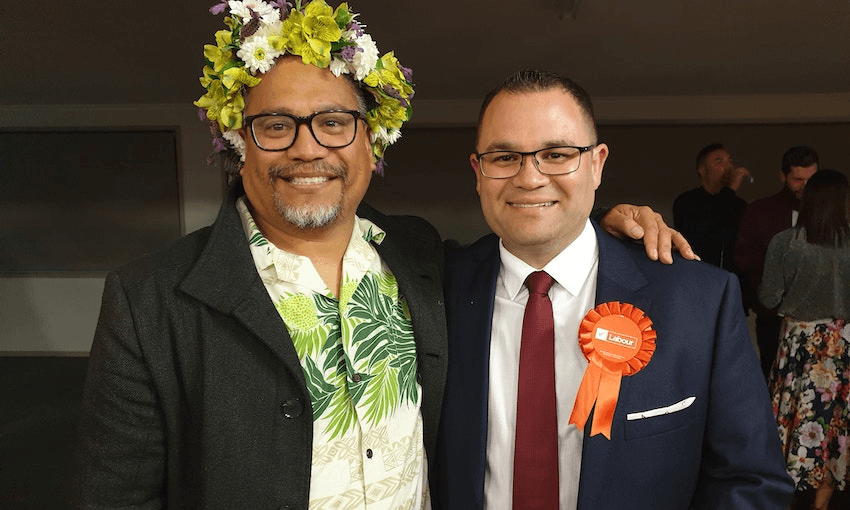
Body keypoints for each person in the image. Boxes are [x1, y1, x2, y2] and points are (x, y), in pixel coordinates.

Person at [71, 2, 693, 508]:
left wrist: (600, 224)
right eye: (275, 125)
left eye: (334, 122)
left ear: (372, 142)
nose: (307, 149)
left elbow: (532, 241)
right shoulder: (149, 299)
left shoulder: (419, 258)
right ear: (241, 142)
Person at [435, 69, 794, 509]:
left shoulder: (700, 299)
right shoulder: (435, 286)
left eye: (557, 154)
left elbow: (751, 482)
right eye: (504, 157)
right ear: (478, 170)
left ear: (597, 163)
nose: (529, 178)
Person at [759, 169, 850, 510]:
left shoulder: (786, 241)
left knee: (793, 416)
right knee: (834, 421)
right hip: (842, 344)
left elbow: (768, 297)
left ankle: (784, 491)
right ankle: (822, 502)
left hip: (800, 343)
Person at [736, 146, 819, 378]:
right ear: (783, 176)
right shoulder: (760, 211)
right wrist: (780, 271)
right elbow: (744, 255)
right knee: (772, 375)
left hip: (819, 317)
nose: (805, 186)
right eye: (798, 179)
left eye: (811, 179)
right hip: (773, 313)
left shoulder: (828, 213)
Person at [673, 143, 749, 273]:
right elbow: (704, 230)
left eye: (730, 161)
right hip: (697, 272)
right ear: (702, 170)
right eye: (719, 161)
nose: (728, 166)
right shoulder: (686, 201)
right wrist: (729, 191)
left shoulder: (740, 205)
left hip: (734, 276)